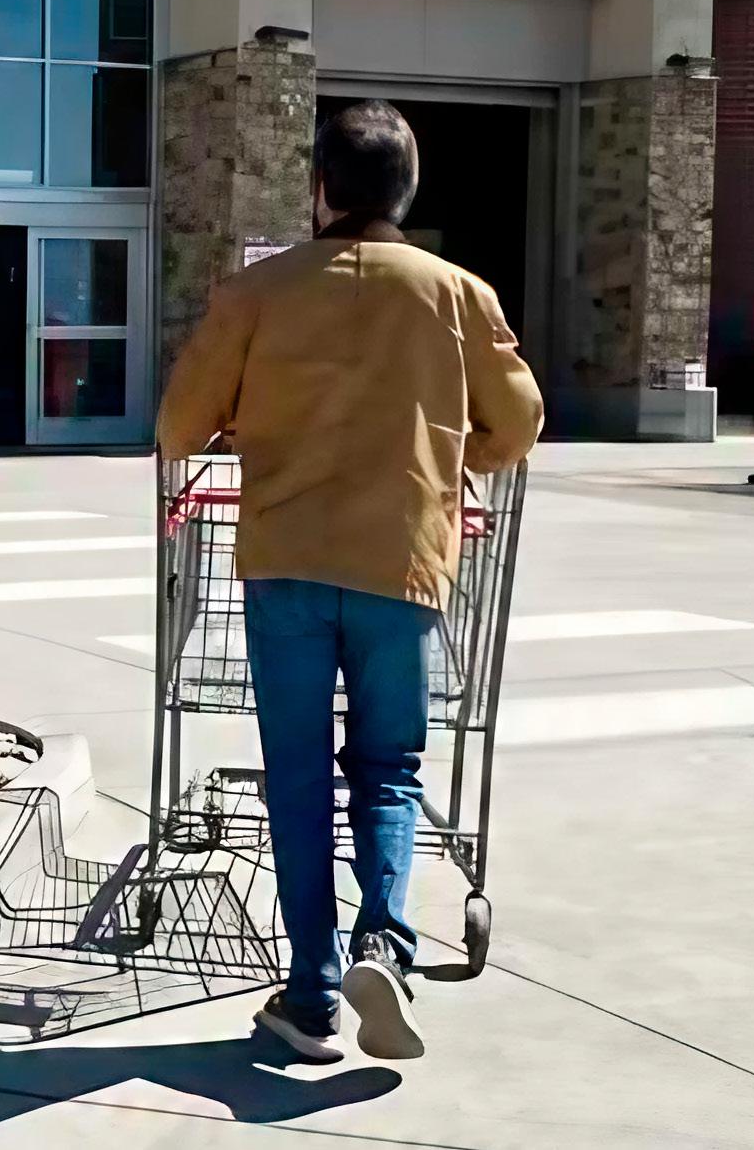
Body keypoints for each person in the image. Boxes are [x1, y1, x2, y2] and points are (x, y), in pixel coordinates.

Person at [156, 99, 543, 1065]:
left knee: (297, 776)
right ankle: (385, 944)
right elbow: (519, 421)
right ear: (407, 192)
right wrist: (451, 455)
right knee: (389, 765)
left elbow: (177, 428)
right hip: (400, 563)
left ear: (319, 187)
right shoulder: (459, 293)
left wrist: (247, 425)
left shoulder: (257, 291)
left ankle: (311, 995)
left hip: (285, 564)